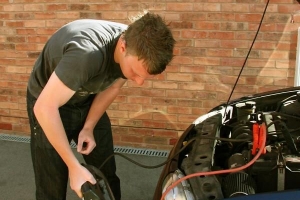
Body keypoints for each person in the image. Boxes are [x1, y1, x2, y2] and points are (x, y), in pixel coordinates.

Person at [26, 12, 175, 200]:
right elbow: (44, 108)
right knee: (52, 183)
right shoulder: (86, 55)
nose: (138, 82)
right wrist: (74, 167)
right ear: (122, 47)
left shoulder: (135, 44)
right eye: (135, 73)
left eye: (144, 77)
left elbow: (113, 86)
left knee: (105, 171)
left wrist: (88, 127)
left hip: (88, 97)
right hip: (49, 101)